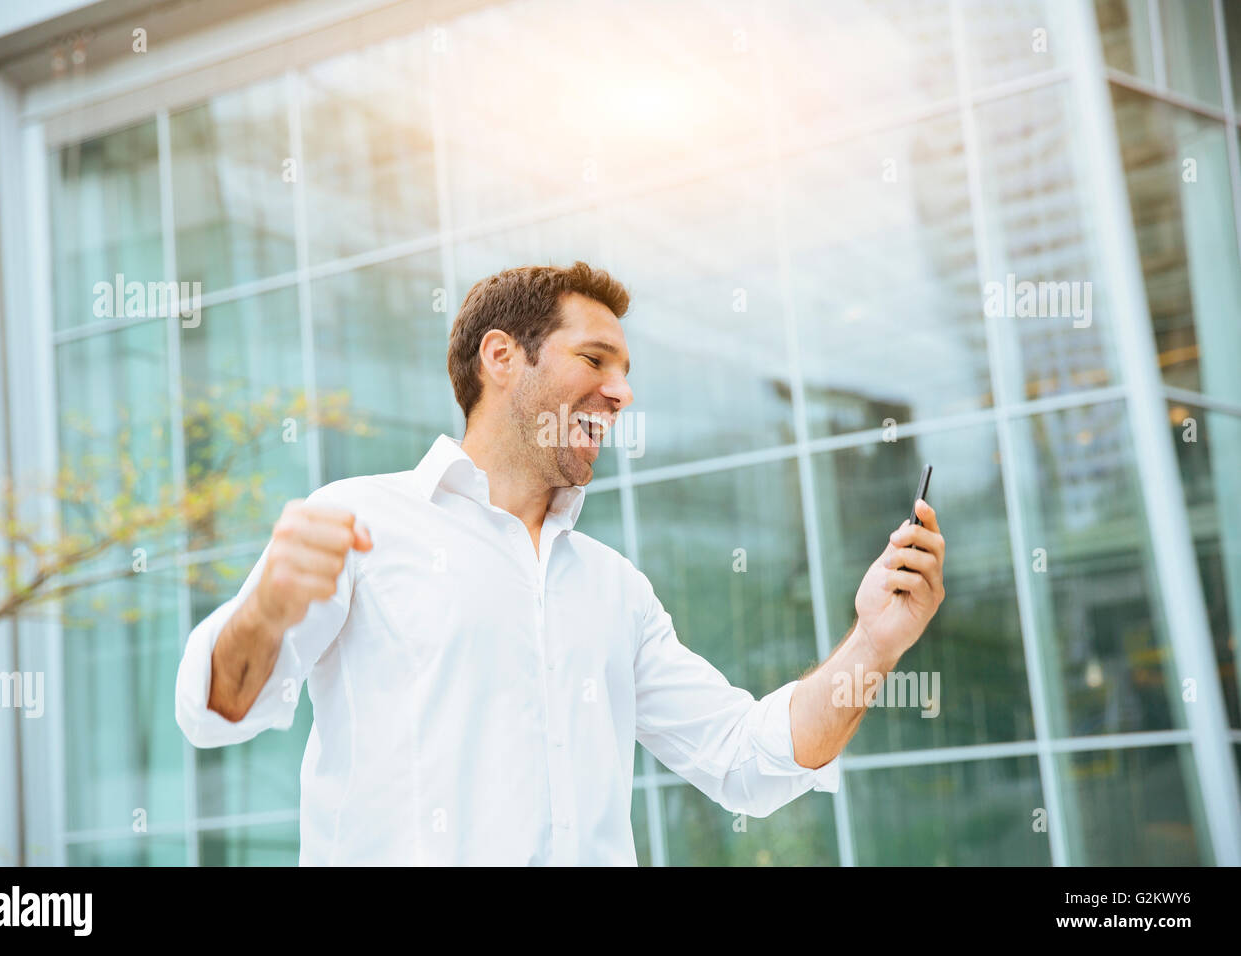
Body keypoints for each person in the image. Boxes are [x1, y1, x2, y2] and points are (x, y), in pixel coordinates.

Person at [174, 261, 946, 865]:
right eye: (596, 360)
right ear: (502, 357)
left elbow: (747, 757)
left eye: (625, 370)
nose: (622, 394)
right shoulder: (362, 520)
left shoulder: (616, 590)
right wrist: (265, 612)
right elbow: (217, 710)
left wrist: (874, 642)